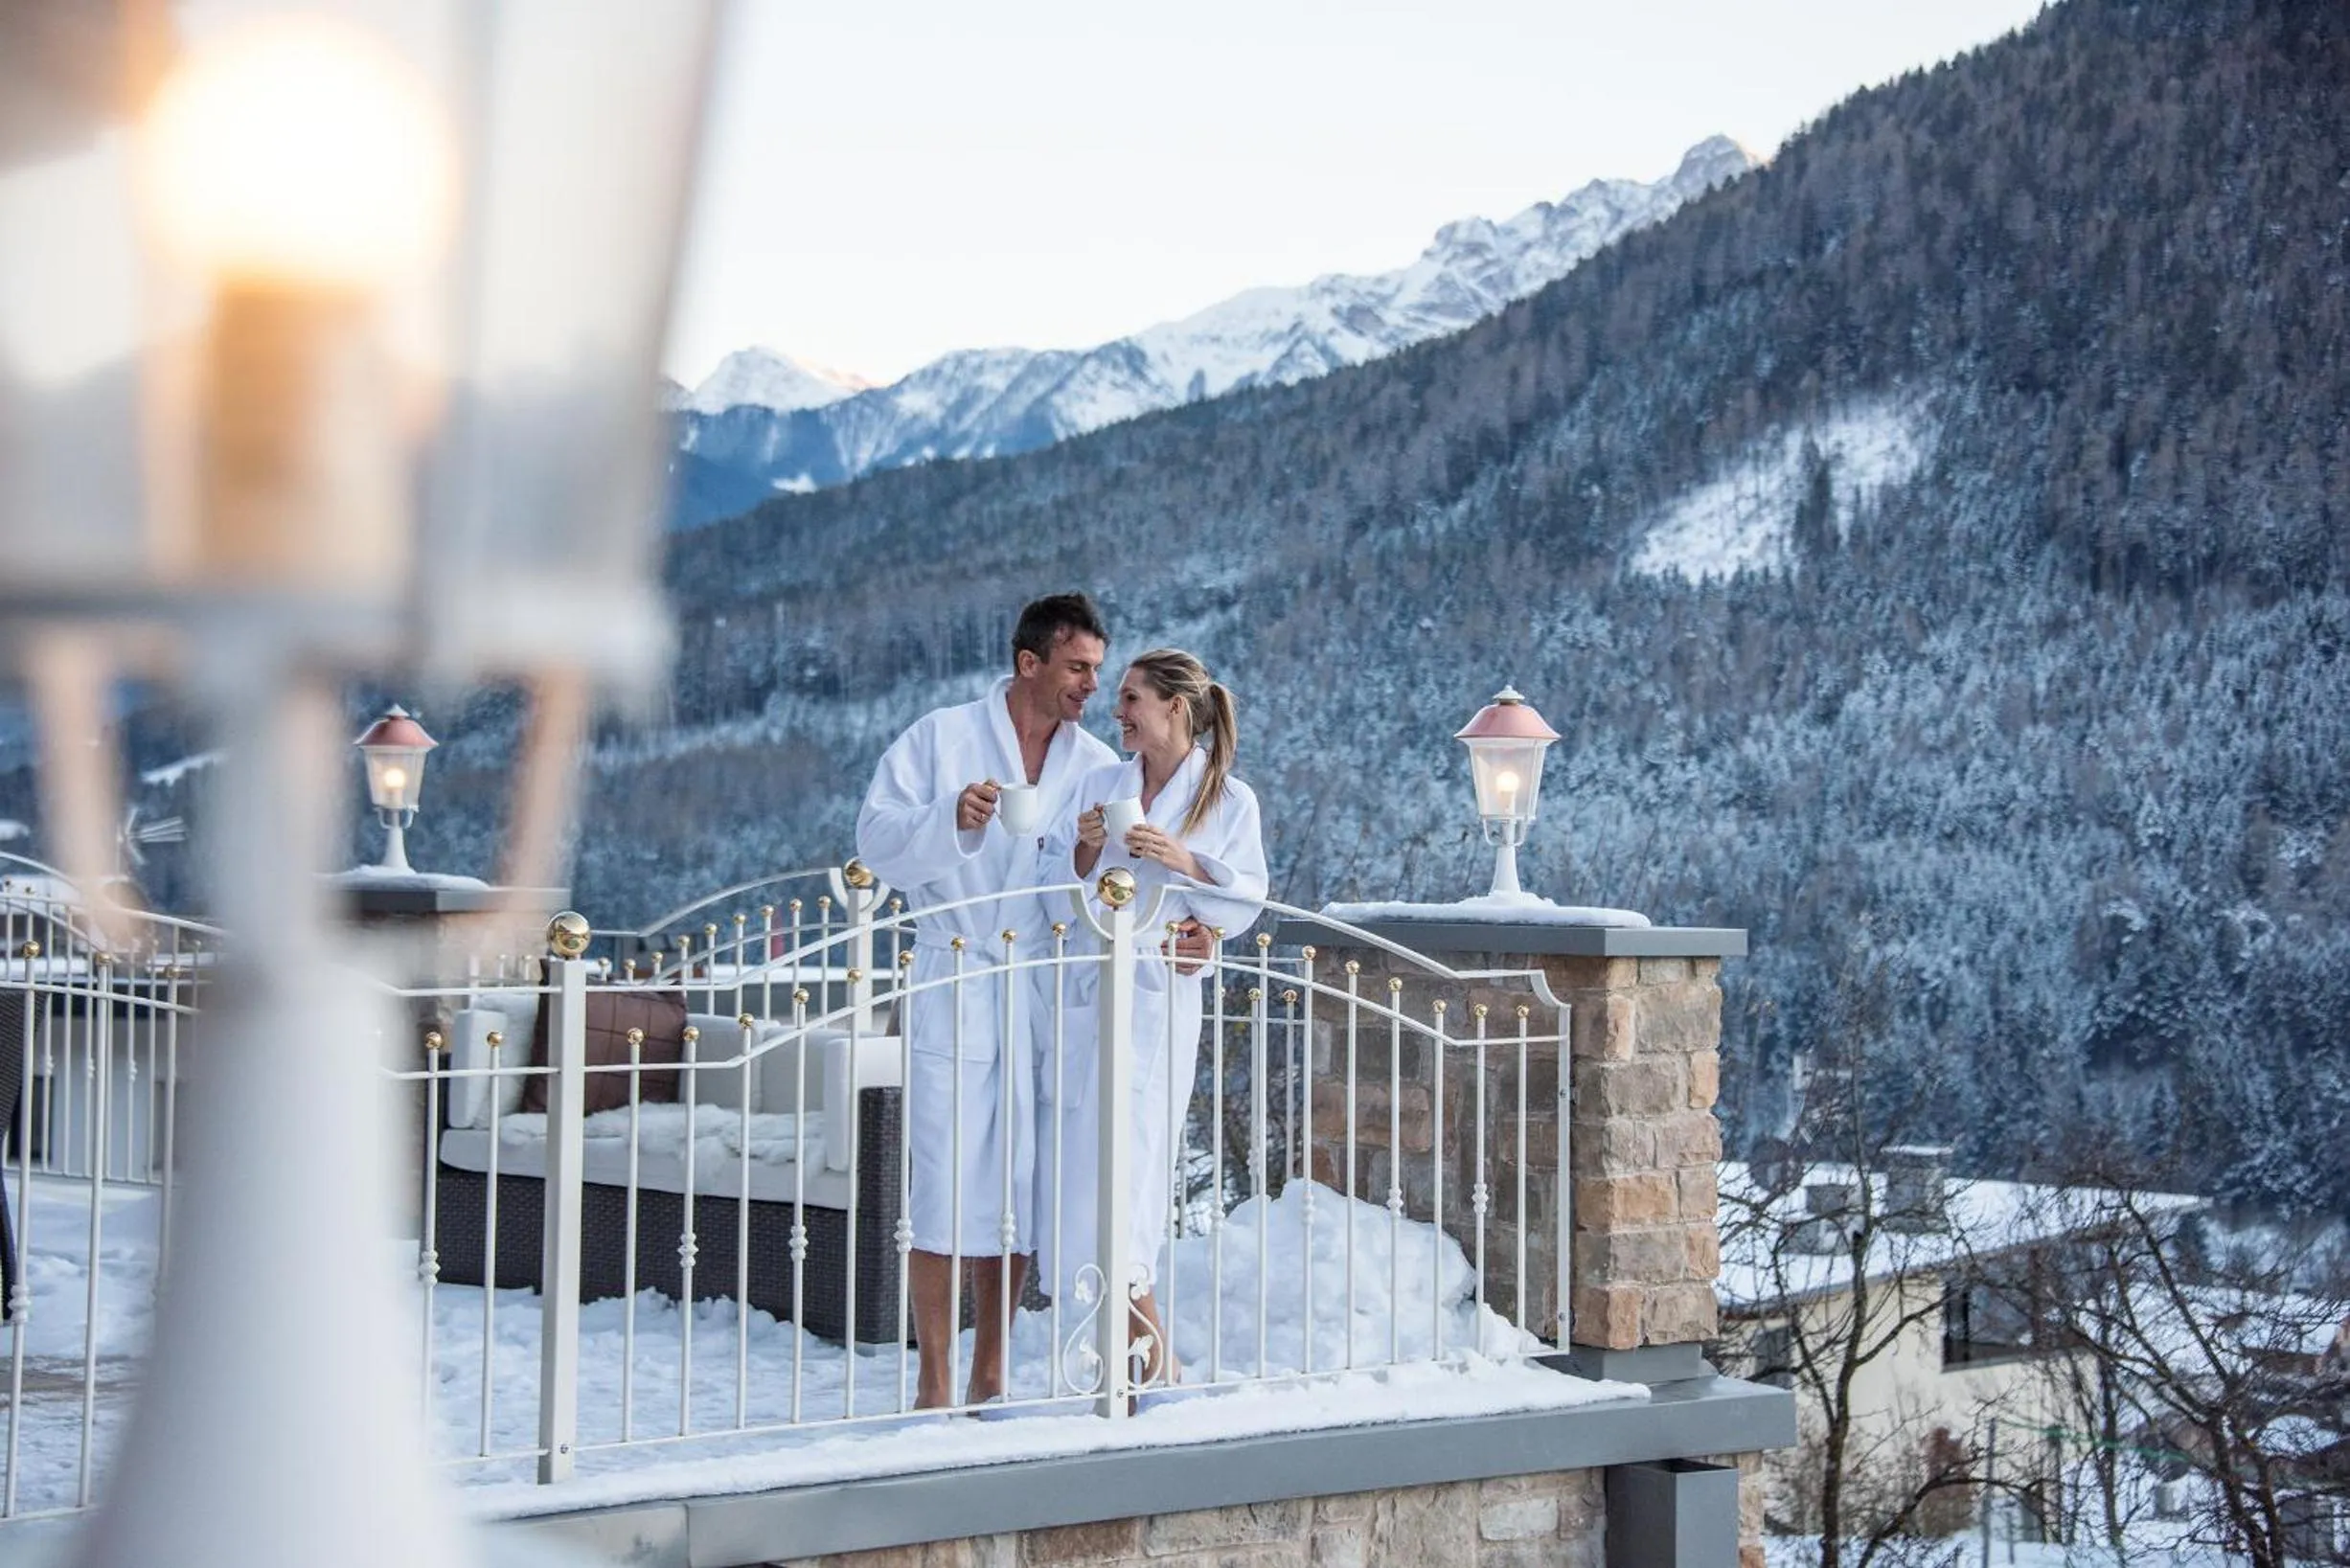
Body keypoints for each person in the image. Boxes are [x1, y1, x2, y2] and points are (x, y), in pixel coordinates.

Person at [855, 593, 1118, 1409]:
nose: (1090, 687)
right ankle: (933, 1376)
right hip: (958, 978)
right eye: (1078, 668)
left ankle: (992, 1367)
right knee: (943, 1185)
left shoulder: (1097, 764)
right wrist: (950, 818)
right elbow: (874, 841)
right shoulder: (939, 738)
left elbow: (1101, 888)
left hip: (1039, 990)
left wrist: (1082, 855)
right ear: (1029, 662)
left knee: (1016, 1187)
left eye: (1099, 671)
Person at [1037, 648, 1267, 1393]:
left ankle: (1146, 1360)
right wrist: (1078, 846)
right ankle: (1141, 1361)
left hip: (1157, 1002)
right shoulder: (1103, 783)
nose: (1118, 710)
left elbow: (1247, 900)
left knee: (1131, 1177)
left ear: (1175, 706)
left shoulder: (1227, 801)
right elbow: (1052, 893)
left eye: (1131, 697)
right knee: (1080, 1176)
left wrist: (1185, 862)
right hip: (1091, 997)